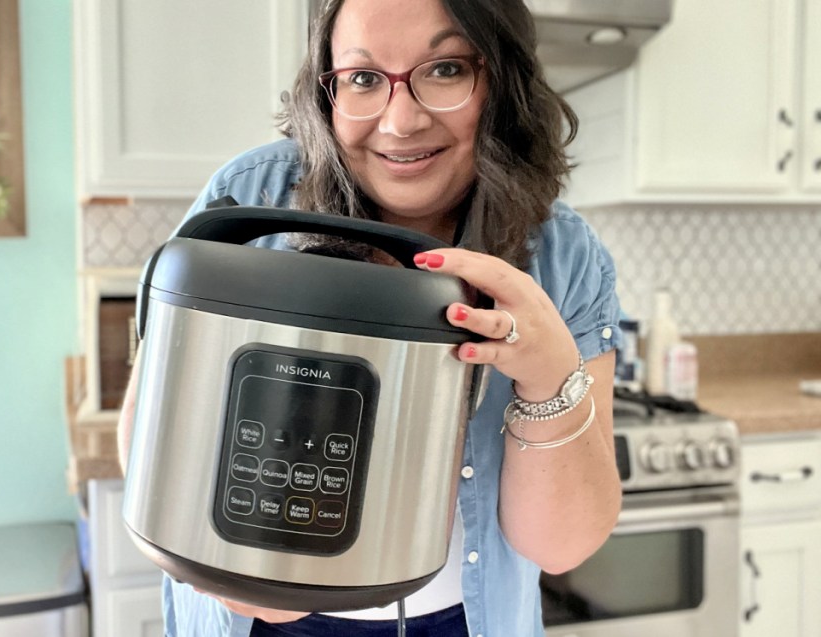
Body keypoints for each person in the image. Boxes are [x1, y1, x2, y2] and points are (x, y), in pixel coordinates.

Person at [117, 0, 623, 634]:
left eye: (444, 69)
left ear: (502, 82)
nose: (401, 120)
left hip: (463, 617)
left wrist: (550, 377)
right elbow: (150, 435)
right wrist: (221, 563)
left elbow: (561, 545)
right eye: (362, 78)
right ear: (325, 91)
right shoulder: (250, 204)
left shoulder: (563, 257)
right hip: (258, 618)